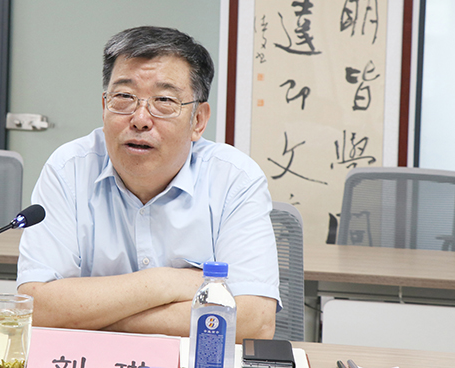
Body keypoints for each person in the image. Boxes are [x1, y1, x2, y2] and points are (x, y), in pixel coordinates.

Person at [17, 26, 281, 342]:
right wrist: (165, 283)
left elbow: (254, 322)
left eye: (164, 100)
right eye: (124, 97)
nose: (140, 119)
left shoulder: (234, 178)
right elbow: (35, 307)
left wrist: (89, 316)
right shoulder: (68, 169)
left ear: (198, 120)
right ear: (104, 106)